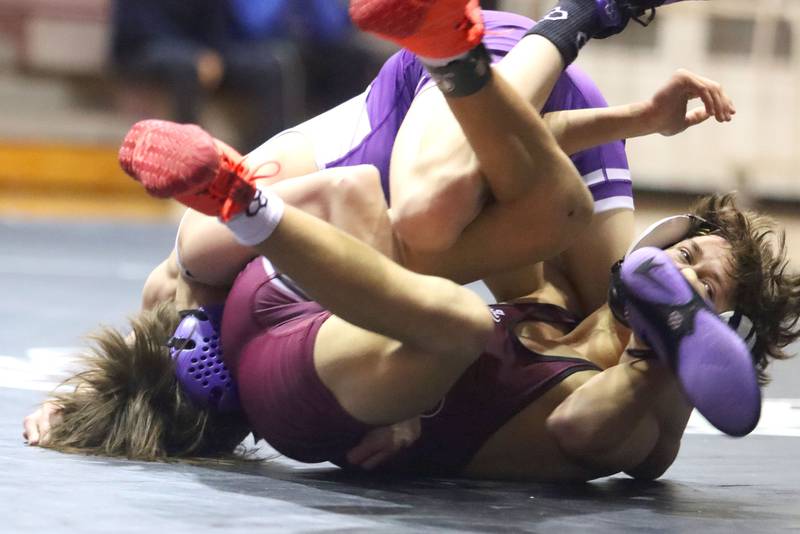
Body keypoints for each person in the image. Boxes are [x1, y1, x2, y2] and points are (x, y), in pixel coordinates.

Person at [25, 0, 794, 481]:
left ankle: (244, 205)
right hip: (462, 108)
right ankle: (547, 25)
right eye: (685, 256)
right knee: (464, 226)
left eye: (696, 285)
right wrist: (635, 121)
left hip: (324, 331)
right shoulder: (574, 297)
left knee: (422, 258)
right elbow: (538, 159)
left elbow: (600, 430)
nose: (673, 268)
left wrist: (650, 359)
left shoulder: (635, 398)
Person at [111, 0, 304, 151]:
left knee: (271, 67)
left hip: (206, 55)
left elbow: (219, 28)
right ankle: (185, 162)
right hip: (144, 51)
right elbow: (141, 29)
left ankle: (267, 155)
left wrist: (213, 55)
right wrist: (194, 55)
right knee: (185, 67)